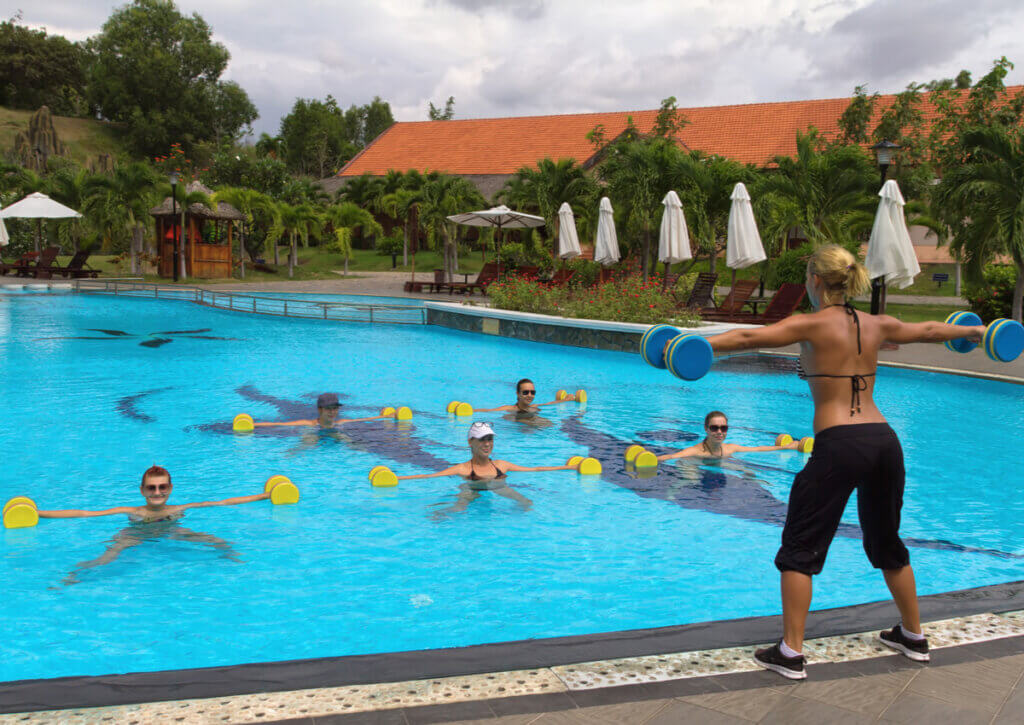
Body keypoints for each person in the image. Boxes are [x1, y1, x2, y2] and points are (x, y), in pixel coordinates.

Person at [689, 244, 985, 680]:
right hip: (884, 441)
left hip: (840, 443)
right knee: (887, 541)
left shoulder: (809, 323)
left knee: (800, 546)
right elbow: (927, 330)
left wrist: (686, 346)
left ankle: (790, 652)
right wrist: (980, 334)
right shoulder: (877, 323)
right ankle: (913, 636)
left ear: (814, 281)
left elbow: (747, 338)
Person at [38, 466, 266, 584]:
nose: (157, 492)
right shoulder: (133, 511)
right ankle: (75, 575)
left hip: (171, 531)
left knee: (213, 540)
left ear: (170, 488)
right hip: (135, 535)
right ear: (142, 491)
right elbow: (86, 513)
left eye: (162, 487)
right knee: (106, 557)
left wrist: (264, 495)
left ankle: (231, 556)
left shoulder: (177, 509)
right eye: (151, 488)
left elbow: (223, 502)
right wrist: (40, 513)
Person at [398, 422, 578, 516]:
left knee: (526, 503)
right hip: (472, 487)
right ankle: (438, 514)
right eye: (482, 439)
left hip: (498, 486)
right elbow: (428, 476)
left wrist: (569, 466)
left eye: (490, 439)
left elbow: (536, 469)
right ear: (471, 442)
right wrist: (397, 479)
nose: (487, 443)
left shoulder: (501, 465)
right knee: (459, 509)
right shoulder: (463, 469)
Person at [657, 411, 801, 460]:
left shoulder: (729, 449)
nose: (719, 432)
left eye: (723, 428)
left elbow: (757, 449)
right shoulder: (696, 451)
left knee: (749, 473)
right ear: (706, 429)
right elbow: (671, 457)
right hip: (692, 465)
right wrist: (650, 459)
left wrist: (787, 447)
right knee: (690, 480)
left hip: (719, 463)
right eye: (714, 428)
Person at [253, 393, 392, 428]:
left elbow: (363, 419)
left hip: (333, 433)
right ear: (320, 410)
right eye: (328, 409)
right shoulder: (309, 424)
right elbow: (279, 425)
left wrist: (384, 416)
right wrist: (253, 425)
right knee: (309, 440)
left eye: (335, 409)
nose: (332, 412)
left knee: (349, 442)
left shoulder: (340, 422)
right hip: (315, 434)